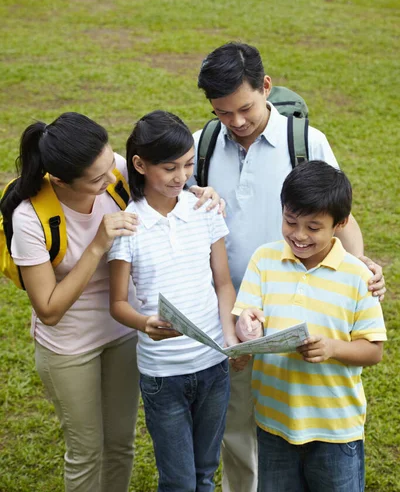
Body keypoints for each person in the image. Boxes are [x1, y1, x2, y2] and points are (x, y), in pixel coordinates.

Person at [193, 42, 386, 492]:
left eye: (245, 108)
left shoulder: (306, 142)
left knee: (288, 425)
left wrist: (359, 266)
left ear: (265, 87)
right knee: (238, 431)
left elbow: (339, 212)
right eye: (223, 113)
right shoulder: (204, 143)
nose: (236, 123)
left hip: (297, 314)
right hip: (232, 313)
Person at [107, 110, 247, 492]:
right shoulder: (127, 226)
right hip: (162, 375)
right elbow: (118, 303)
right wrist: (143, 323)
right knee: (179, 481)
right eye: (169, 168)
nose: (182, 177)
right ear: (139, 165)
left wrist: (231, 340)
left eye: (187, 165)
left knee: (205, 473)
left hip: (213, 365)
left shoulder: (204, 210)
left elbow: (223, 284)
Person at [0, 112, 140, 492]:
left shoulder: (114, 172)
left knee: (120, 445)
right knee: (86, 452)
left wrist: (200, 192)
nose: (112, 178)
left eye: (110, 166)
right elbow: (48, 309)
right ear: (61, 179)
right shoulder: (30, 218)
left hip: (122, 328)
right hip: (68, 347)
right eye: (97, 179)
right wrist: (97, 245)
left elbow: (169, 184)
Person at [234, 160, 386, 492]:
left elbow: (373, 351)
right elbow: (245, 319)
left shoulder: (359, 277)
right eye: (290, 222)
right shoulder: (264, 260)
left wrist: (332, 348)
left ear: (340, 224)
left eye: (313, 227)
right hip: (274, 423)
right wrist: (247, 327)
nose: (299, 235)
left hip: (335, 427)